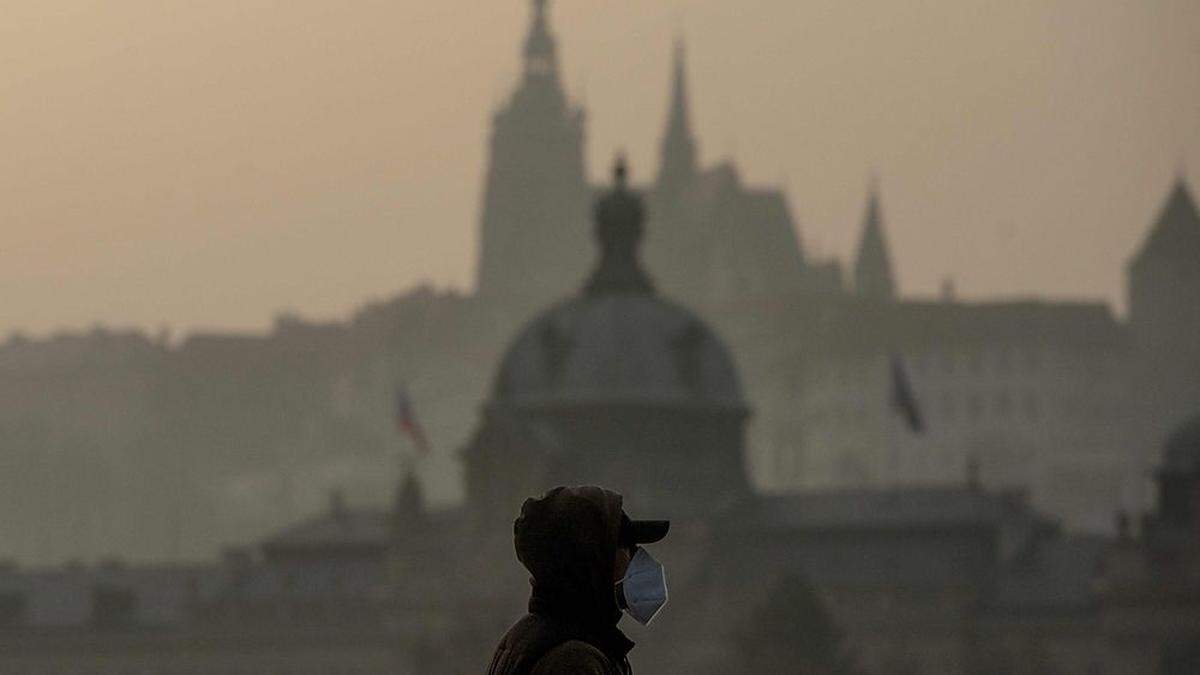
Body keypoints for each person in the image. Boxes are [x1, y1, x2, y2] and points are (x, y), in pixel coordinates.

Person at [486, 485, 670, 675]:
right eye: (626, 547)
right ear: (594, 559)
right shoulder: (575, 660)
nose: (635, 556)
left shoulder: (529, 636)